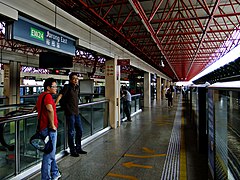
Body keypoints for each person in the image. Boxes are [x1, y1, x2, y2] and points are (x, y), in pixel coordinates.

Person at [33, 78, 61, 180]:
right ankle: (45, 178)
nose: (56, 88)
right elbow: (49, 109)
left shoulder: (41, 95)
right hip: (49, 129)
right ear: (48, 88)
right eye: (54, 86)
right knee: (49, 155)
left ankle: (55, 173)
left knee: (51, 152)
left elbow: (36, 107)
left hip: (42, 127)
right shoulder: (48, 96)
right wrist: (52, 124)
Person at [55, 72, 87, 157]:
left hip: (76, 112)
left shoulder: (77, 87)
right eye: (74, 79)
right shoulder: (67, 87)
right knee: (71, 132)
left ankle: (78, 148)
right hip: (70, 113)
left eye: (77, 79)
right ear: (70, 79)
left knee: (79, 130)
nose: (76, 80)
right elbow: (60, 95)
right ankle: (72, 150)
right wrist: (55, 104)